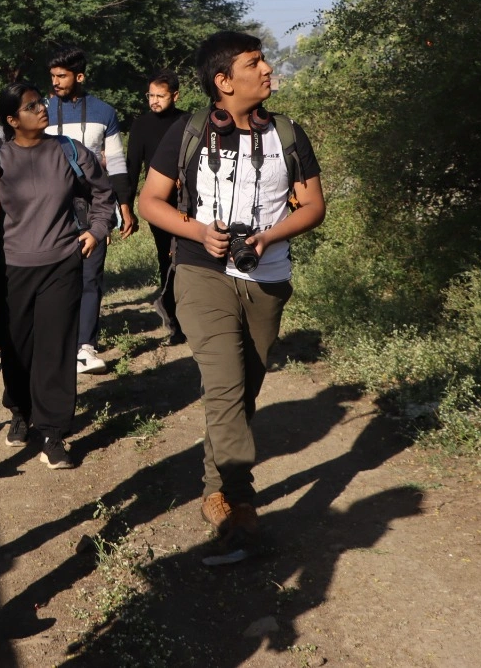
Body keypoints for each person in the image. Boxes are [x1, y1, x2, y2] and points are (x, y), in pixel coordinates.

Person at [138, 31, 325, 552]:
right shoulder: (189, 131)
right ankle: (240, 504)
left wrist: (269, 236)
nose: (267, 69)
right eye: (254, 63)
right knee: (224, 387)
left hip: (267, 280)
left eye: (264, 61)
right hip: (202, 272)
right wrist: (198, 230)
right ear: (223, 81)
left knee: (243, 393)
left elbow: (313, 206)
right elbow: (150, 200)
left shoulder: (287, 133)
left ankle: (213, 489)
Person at [0, 82, 116, 470]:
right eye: (30, 106)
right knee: (15, 347)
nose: (42, 109)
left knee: (56, 348)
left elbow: (103, 194)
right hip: (12, 268)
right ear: (12, 120)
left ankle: (52, 431)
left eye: (40, 102)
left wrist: (97, 230)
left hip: (62, 263)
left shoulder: (69, 150)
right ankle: (20, 410)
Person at [43, 47, 135, 374]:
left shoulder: (104, 112)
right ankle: (59, 343)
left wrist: (124, 206)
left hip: (93, 205)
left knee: (90, 276)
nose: (55, 82)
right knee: (54, 277)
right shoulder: (40, 111)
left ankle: (86, 347)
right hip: (50, 208)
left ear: (79, 76)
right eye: (52, 76)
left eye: (62, 76)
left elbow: (118, 163)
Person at [126, 70, 188, 343]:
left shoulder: (188, 122)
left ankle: (192, 315)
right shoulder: (141, 125)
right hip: (159, 203)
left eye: (160, 96)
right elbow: (131, 168)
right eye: (150, 95)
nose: (154, 100)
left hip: (189, 202)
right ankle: (174, 321)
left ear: (175, 96)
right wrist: (126, 206)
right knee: (167, 257)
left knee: (189, 258)